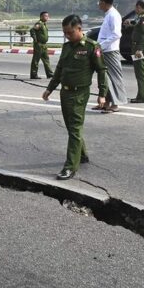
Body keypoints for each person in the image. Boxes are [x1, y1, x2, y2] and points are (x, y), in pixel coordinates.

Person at [42, 15, 107, 180]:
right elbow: (59, 69)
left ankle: (70, 166)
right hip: (65, 92)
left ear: (79, 29)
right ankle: (82, 155)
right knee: (72, 127)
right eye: (65, 33)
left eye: (70, 32)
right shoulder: (67, 47)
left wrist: (102, 94)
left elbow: (101, 70)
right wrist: (50, 88)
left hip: (79, 94)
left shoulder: (92, 47)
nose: (67, 36)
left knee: (75, 128)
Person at [94, 0, 126, 113]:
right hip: (104, 50)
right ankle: (106, 102)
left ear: (105, 3)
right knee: (104, 77)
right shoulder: (108, 15)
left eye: (100, 2)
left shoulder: (113, 15)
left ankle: (115, 104)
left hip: (110, 50)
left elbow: (117, 34)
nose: (99, 4)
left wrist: (101, 46)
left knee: (114, 77)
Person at [29, 11, 54, 79]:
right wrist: (35, 39)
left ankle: (49, 74)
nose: (47, 17)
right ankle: (34, 75)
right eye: (45, 16)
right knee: (36, 60)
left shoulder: (44, 24)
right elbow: (32, 30)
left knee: (46, 59)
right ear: (41, 17)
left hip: (44, 45)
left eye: (47, 16)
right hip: (39, 45)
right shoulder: (39, 24)